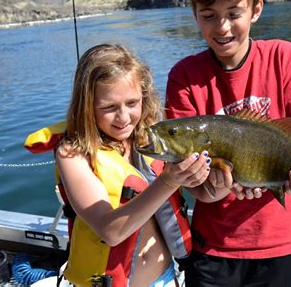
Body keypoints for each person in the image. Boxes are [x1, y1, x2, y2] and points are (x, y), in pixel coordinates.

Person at [166, 0, 291, 286]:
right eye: (209, 15)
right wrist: (215, 187)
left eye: (234, 14)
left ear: (256, 9)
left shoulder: (284, 57)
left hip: (282, 244)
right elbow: (195, 186)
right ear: (195, 15)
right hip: (213, 249)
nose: (222, 26)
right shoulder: (184, 76)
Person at [24, 44, 211, 287]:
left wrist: (207, 178)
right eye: (109, 107)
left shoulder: (151, 139)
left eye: (132, 103)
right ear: (87, 106)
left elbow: (204, 189)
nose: (123, 118)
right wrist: (169, 180)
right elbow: (110, 231)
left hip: (166, 277)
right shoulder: (72, 154)